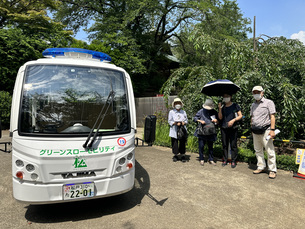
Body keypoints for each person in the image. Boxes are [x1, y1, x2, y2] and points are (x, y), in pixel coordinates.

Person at [250, 86, 277, 179]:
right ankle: (261, 166)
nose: (256, 94)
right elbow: (252, 117)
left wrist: (272, 130)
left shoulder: (269, 102)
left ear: (262, 92)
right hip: (255, 130)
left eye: (258, 92)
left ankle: (272, 170)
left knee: (269, 150)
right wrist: (252, 129)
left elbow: (272, 116)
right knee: (258, 150)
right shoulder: (253, 105)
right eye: (254, 92)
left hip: (266, 130)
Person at [218, 94, 243, 168]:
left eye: (227, 96)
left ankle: (233, 160)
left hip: (233, 128)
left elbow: (240, 115)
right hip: (224, 127)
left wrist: (233, 120)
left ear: (230, 97)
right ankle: (225, 159)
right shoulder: (222, 107)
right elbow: (220, 117)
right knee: (224, 144)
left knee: (233, 145)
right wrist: (219, 109)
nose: (226, 98)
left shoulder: (235, 106)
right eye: (224, 97)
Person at [193, 98, 218, 166]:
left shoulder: (214, 112)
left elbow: (218, 120)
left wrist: (216, 120)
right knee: (201, 145)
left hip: (211, 130)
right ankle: (201, 158)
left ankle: (211, 159)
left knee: (210, 146)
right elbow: (195, 118)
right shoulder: (201, 111)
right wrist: (200, 121)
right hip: (202, 131)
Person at [168, 98, 188, 162]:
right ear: (174, 104)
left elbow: (186, 120)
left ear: (181, 104)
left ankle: (182, 155)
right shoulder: (171, 112)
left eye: (179, 103)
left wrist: (183, 123)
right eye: (176, 103)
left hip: (182, 129)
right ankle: (175, 155)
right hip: (174, 129)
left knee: (182, 142)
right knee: (174, 142)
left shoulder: (183, 112)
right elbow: (169, 121)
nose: (177, 104)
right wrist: (175, 123)